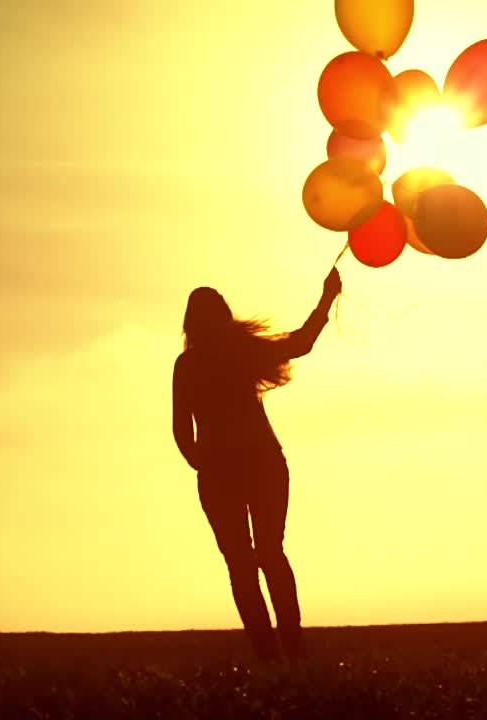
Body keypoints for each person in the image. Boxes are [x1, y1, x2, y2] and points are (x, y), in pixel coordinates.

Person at [172, 267, 342, 662]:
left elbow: (182, 430)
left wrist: (200, 461)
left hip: (236, 469)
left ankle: (275, 654)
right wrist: (326, 298)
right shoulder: (226, 356)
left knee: (247, 561)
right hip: (250, 466)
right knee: (265, 555)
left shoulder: (193, 363)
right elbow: (300, 343)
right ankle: (285, 652)